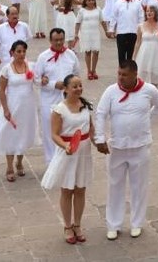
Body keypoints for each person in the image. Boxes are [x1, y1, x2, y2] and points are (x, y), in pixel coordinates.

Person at [94, 60, 158, 240]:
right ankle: (113, 224)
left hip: (140, 146)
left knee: (139, 186)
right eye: (119, 73)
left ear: (135, 74)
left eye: (124, 75)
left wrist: (148, 119)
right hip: (116, 147)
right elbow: (101, 113)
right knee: (114, 185)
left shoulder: (148, 90)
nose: (120, 78)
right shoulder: (111, 91)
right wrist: (100, 138)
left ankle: (136, 223)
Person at [40, 74, 95, 245]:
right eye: (74, 86)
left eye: (80, 85)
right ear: (65, 89)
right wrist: (65, 146)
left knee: (80, 189)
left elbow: (91, 128)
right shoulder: (59, 110)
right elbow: (54, 134)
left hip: (84, 152)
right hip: (68, 153)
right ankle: (67, 226)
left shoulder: (86, 106)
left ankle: (77, 224)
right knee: (67, 190)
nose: (78, 89)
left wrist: (98, 142)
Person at [0, 40, 40, 182]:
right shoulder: (6, 69)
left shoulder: (31, 66)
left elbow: (36, 81)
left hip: (27, 106)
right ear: (12, 53)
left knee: (23, 134)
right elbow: (1, 90)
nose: (21, 54)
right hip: (13, 105)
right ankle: (9, 166)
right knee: (10, 135)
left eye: (24, 51)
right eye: (18, 51)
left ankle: (19, 161)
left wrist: (43, 80)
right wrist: (6, 109)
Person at [34, 29, 82, 165]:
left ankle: (67, 158)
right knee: (50, 131)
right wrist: (52, 84)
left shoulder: (71, 55)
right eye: (56, 40)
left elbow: (77, 74)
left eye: (61, 39)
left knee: (67, 128)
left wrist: (72, 87)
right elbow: (36, 79)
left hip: (67, 100)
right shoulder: (43, 57)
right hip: (49, 100)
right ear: (50, 41)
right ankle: (51, 162)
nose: (59, 42)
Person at [0, 6, 32, 93]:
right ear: (7, 16)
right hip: (6, 62)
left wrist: (21, 51)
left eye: (16, 13)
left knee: (22, 87)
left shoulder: (24, 26)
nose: (15, 16)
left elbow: (29, 38)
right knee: (7, 90)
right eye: (12, 14)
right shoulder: (1, 28)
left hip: (21, 62)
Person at [73, 0, 107, 80]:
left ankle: (94, 70)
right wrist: (76, 34)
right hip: (85, 33)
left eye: (92, 0)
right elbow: (78, 23)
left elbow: (102, 21)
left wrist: (106, 31)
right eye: (89, 0)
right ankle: (89, 71)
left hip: (95, 33)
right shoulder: (82, 10)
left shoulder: (98, 9)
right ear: (85, 2)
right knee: (88, 52)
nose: (91, 2)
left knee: (96, 52)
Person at [107, 0, 144, 65]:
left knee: (132, 54)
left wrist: (142, 30)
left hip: (134, 32)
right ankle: (122, 71)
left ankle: (131, 72)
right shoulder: (118, 3)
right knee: (121, 54)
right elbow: (113, 17)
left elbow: (141, 17)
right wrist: (111, 29)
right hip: (121, 32)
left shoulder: (137, 2)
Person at [133, 6, 158, 93]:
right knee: (143, 74)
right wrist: (134, 57)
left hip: (156, 54)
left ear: (155, 13)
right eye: (147, 11)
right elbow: (138, 42)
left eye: (151, 11)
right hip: (144, 53)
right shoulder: (140, 26)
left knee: (155, 75)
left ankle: (154, 95)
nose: (149, 13)